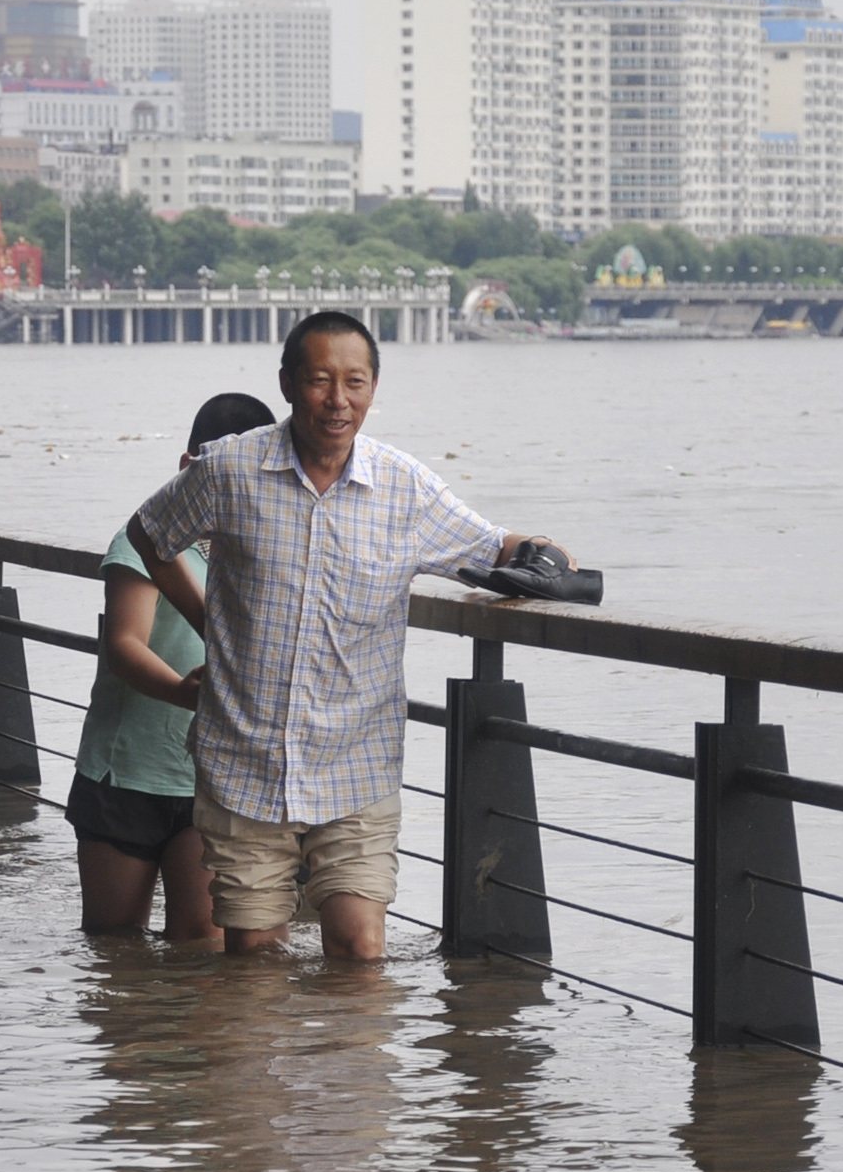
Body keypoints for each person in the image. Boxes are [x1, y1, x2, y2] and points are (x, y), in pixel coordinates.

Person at [127, 310, 572, 961]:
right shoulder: (229, 471)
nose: (339, 400)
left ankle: (348, 1065)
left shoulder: (404, 488)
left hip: (356, 763)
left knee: (360, 950)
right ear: (287, 383)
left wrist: (548, 554)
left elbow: (488, 543)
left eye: (356, 382)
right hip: (244, 757)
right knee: (252, 951)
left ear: (373, 388)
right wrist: (209, 625)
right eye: (320, 380)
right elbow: (148, 534)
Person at [70, 392, 276, 939]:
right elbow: (125, 644)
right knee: (114, 945)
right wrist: (188, 694)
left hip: (215, 779)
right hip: (126, 772)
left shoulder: (265, 549)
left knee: (203, 948)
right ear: (189, 468)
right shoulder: (146, 538)